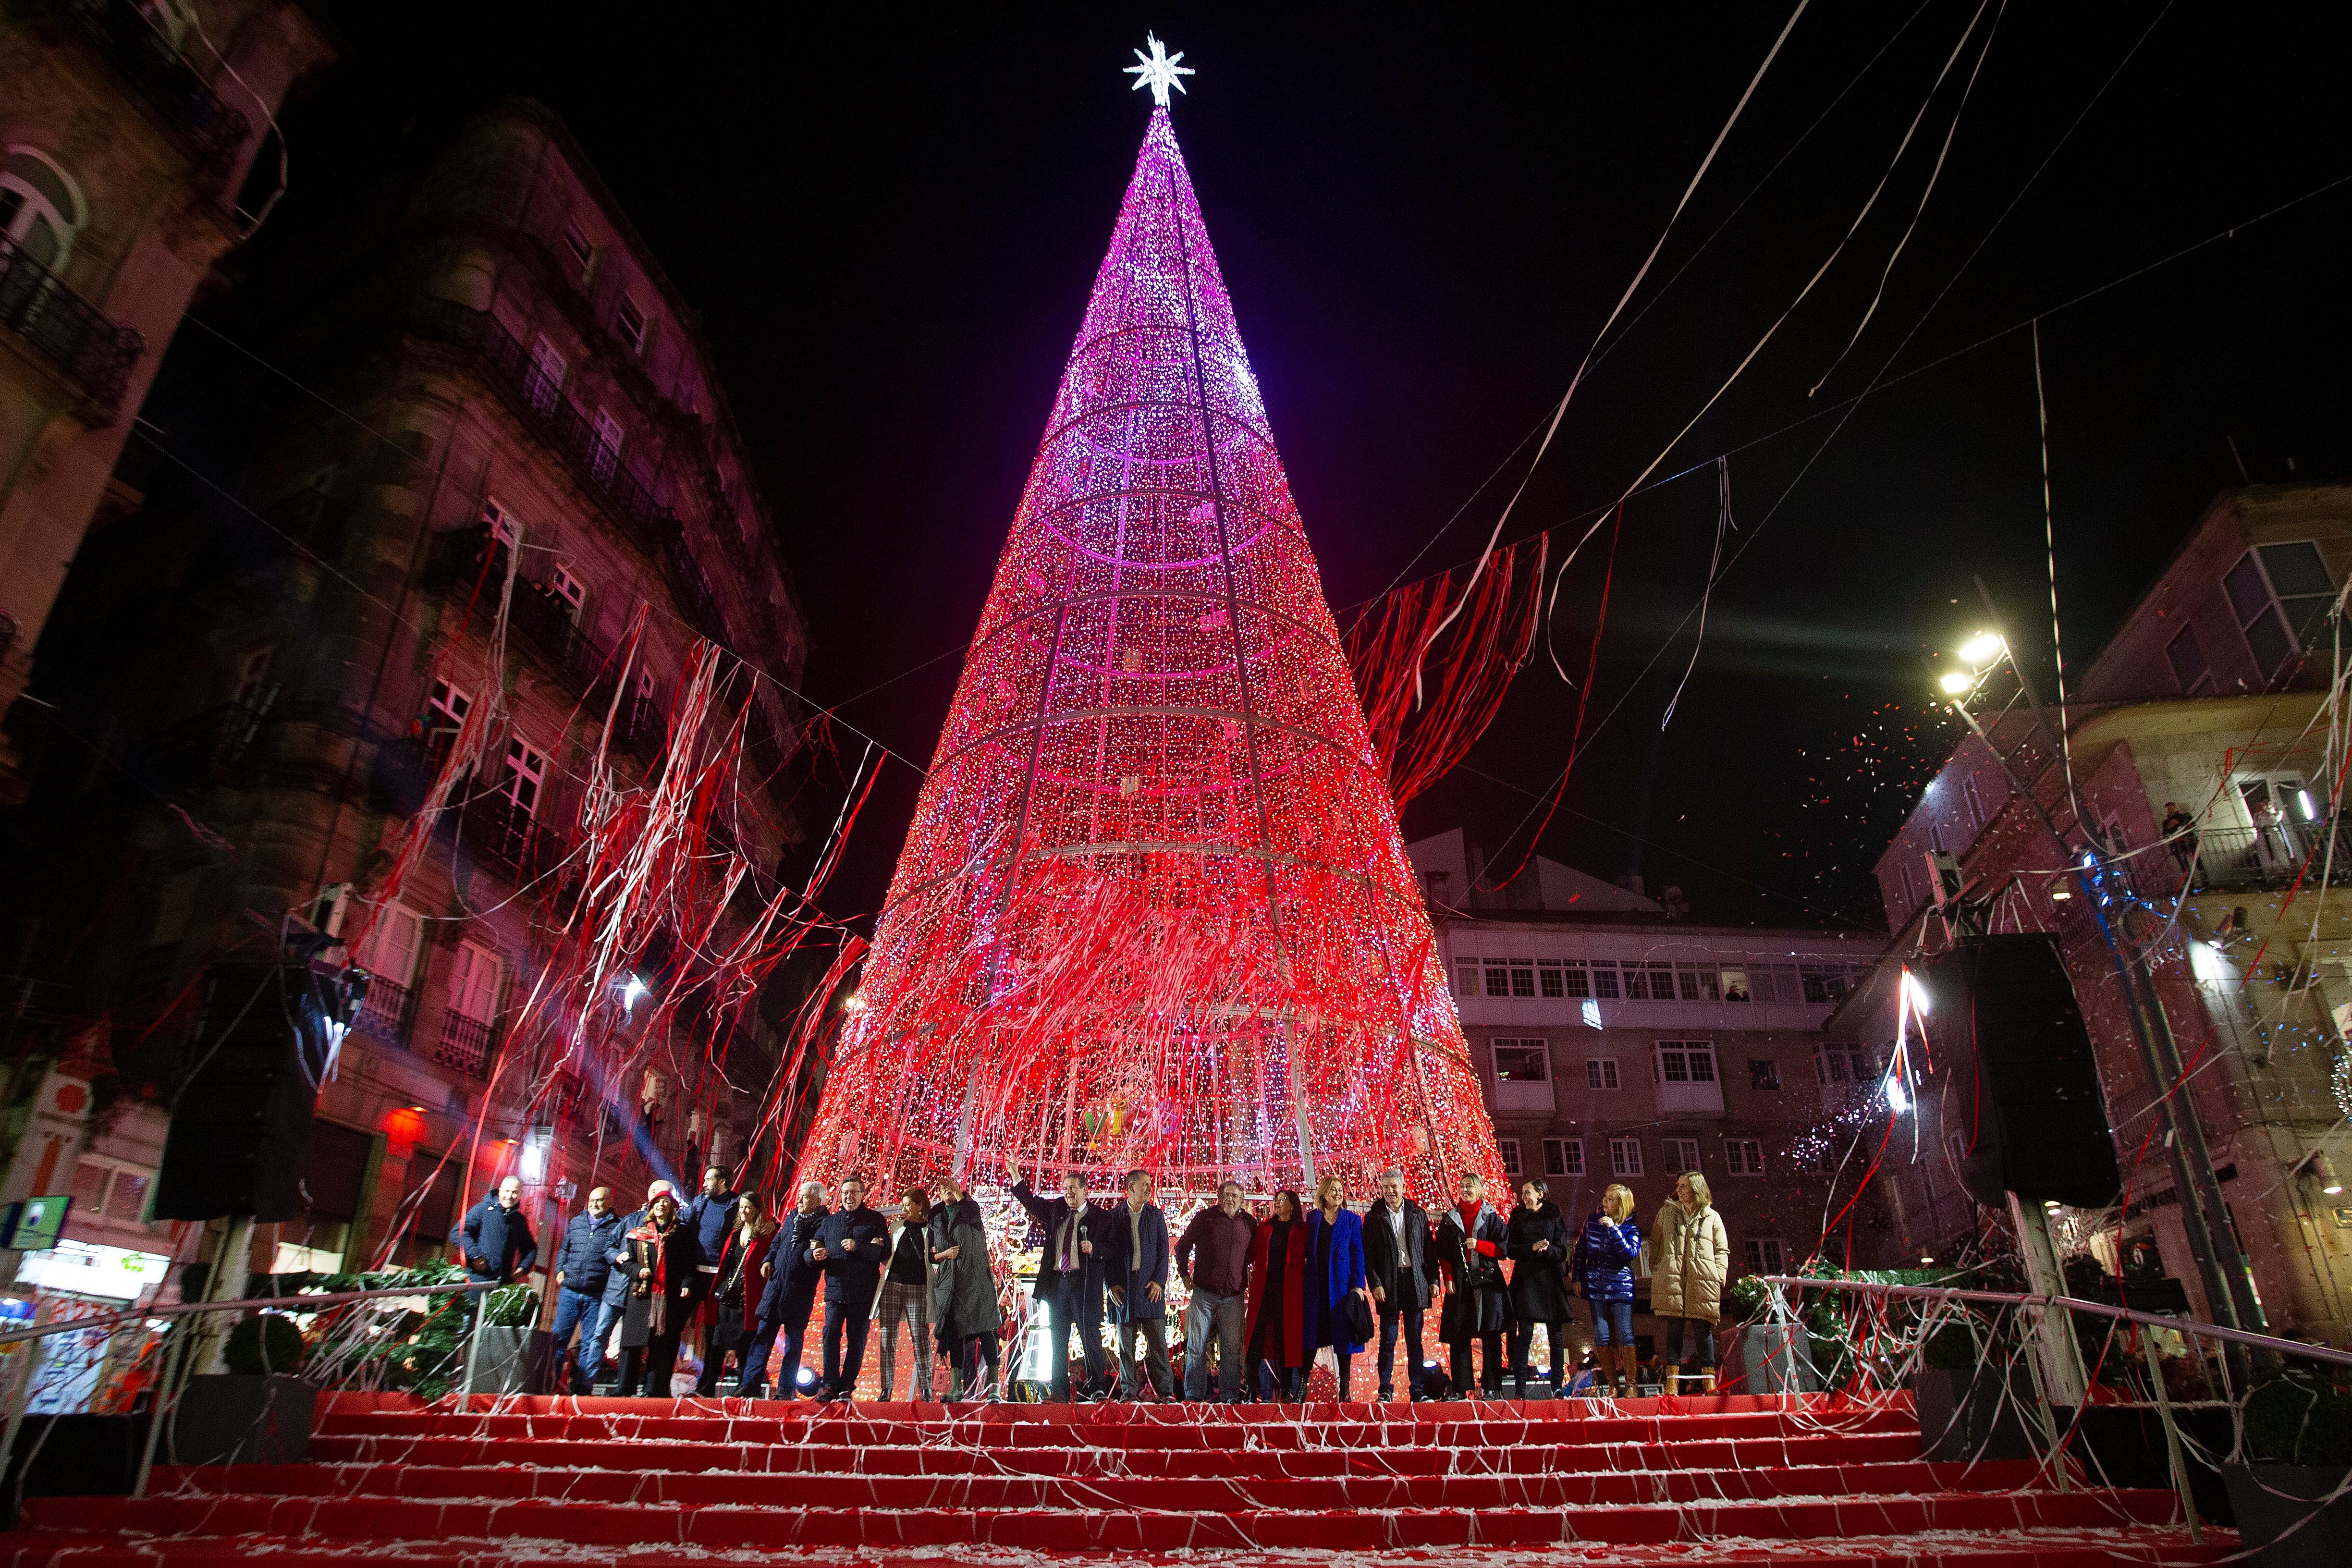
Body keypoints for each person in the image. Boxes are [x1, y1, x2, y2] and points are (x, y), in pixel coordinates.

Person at [1007, 1156, 1106, 1402]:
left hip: (1084, 1286)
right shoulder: (1057, 1211)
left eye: (1073, 1188)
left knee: (1090, 1338)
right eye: (1064, 1189)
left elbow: (1112, 1248)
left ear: (1086, 1191)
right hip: (1058, 1285)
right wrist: (1017, 1177)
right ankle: (1060, 1392)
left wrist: (1095, 1249)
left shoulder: (1101, 1218)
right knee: (1058, 1340)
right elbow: (1031, 1203)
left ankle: (1097, 1389)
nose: (1068, 1193)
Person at [742, 1180, 829, 1397]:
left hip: (799, 1290)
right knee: (762, 1337)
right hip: (776, 1287)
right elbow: (777, 1243)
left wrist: (813, 1257)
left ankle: (785, 1390)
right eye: (800, 1195)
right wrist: (768, 1260)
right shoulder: (792, 1217)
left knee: (793, 1345)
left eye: (806, 1197)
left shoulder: (824, 1223)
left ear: (818, 1201)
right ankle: (749, 1384)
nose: (800, 1199)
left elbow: (818, 1255)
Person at [1645, 1172, 1730, 1394]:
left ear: (1697, 1189)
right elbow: (1655, 1241)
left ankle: (1709, 1379)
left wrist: (1718, 1276)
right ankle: (1672, 1380)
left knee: (1703, 1329)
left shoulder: (1712, 1216)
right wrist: (1658, 1267)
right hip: (1673, 1278)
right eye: (1679, 1186)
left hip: (1702, 1279)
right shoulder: (1666, 1212)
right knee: (1674, 1329)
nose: (1679, 1190)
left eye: (1684, 1186)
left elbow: (1722, 1250)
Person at [809, 1173, 889, 1399]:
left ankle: (847, 1385)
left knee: (857, 1338)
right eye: (845, 1193)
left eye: (854, 1193)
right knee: (830, 1334)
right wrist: (814, 1254)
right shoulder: (829, 1222)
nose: (848, 1197)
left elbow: (884, 1253)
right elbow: (814, 1246)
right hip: (835, 1290)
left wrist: (859, 1247)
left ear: (863, 1195)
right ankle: (830, 1384)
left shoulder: (875, 1221)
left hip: (863, 1293)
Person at [1175, 1178, 1255, 1402]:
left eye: (1235, 1196)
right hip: (1204, 1293)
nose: (1230, 1199)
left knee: (1231, 1348)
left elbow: (1254, 1254)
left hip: (1234, 1296)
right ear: (1219, 1198)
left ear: (1242, 1200)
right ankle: (1193, 1395)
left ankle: (1230, 1395)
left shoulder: (1249, 1223)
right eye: (1226, 1195)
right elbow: (1183, 1245)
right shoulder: (1205, 1218)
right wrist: (1184, 1274)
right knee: (1196, 1346)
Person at [1431, 1171, 1508, 1398]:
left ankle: (1492, 1386)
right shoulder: (1450, 1218)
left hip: (1488, 1282)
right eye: (1462, 1186)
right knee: (1459, 1333)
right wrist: (1448, 1278)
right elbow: (1442, 1253)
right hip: (1461, 1283)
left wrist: (1480, 1246)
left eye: (1470, 1186)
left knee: (1491, 1333)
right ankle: (1462, 1387)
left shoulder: (1491, 1217)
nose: (1465, 1190)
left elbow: (1504, 1248)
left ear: (1480, 1190)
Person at [617, 1192, 701, 1396]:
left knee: (663, 1343)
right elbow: (624, 1261)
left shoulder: (683, 1235)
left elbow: (690, 1265)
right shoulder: (637, 1234)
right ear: (651, 1208)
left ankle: (656, 1389)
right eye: (657, 1203)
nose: (661, 1206)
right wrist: (638, 1271)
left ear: (673, 1209)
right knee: (632, 1343)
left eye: (666, 1203)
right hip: (642, 1295)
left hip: (669, 1297)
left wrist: (687, 1284)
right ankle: (625, 1388)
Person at [596, 1179, 676, 1388]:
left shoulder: (675, 1230)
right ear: (652, 1196)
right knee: (604, 1336)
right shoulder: (632, 1222)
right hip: (620, 1288)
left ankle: (652, 1388)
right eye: (660, 1197)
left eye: (667, 1198)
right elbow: (610, 1247)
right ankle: (595, 1383)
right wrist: (621, 1259)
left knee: (653, 1341)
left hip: (653, 1294)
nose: (662, 1203)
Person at [929, 1171, 1002, 1399]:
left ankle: (994, 1386)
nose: (947, 1193)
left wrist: (960, 1195)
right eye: (943, 1190)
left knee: (985, 1331)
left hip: (976, 1281)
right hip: (951, 1284)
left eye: (951, 1189)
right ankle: (956, 1387)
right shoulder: (936, 1218)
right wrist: (944, 1255)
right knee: (955, 1335)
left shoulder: (971, 1211)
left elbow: (972, 1213)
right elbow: (931, 1256)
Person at [1102, 1168, 1173, 1401]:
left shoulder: (1156, 1216)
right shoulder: (1113, 1217)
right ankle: (1129, 1392)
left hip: (1151, 1288)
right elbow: (1107, 1256)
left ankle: (1167, 1392)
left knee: (1159, 1346)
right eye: (1145, 1184)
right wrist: (1110, 1284)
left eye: (1150, 1184)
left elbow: (1165, 1253)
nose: (1149, 1188)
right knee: (1125, 1347)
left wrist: (1159, 1281)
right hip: (1124, 1288)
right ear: (1131, 1188)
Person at [695, 1191, 775, 1396]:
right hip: (727, 1294)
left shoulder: (766, 1234)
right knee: (716, 1345)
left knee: (744, 1346)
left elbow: (777, 1239)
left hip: (747, 1298)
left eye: (747, 1207)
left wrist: (775, 1224)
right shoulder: (734, 1232)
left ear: (757, 1209)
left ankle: (745, 1387)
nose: (743, 1211)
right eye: (741, 1207)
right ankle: (706, 1387)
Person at [1361, 1168, 1430, 1402]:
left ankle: (1418, 1389)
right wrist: (1376, 1284)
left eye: (1394, 1187)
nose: (1390, 1191)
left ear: (1403, 1187)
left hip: (1413, 1280)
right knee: (1388, 1338)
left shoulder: (1418, 1214)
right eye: (1386, 1187)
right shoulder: (1374, 1217)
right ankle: (1385, 1388)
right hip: (1389, 1283)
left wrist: (1432, 1281)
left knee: (1414, 1339)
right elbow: (1368, 1256)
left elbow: (1428, 1251)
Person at [550, 1185, 625, 1394]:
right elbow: (565, 1248)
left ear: (610, 1203)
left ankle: (582, 1391)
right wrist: (559, 1270)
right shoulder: (577, 1222)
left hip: (596, 1295)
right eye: (591, 1200)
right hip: (570, 1292)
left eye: (600, 1200)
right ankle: (550, 1386)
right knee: (558, 1341)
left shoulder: (618, 1226)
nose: (594, 1204)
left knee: (591, 1346)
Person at [1505, 1177, 1575, 1398]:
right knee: (1523, 1333)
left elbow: (1563, 1250)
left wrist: (1548, 1250)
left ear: (1540, 1195)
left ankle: (1557, 1387)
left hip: (1549, 1279)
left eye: (1528, 1192)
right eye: (1523, 1193)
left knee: (1555, 1335)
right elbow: (1510, 1249)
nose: (1524, 1196)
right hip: (1525, 1280)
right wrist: (1531, 1248)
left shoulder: (1553, 1214)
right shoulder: (1517, 1217)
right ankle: (1520, 1389)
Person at [1303, 1174, 1370, 1400]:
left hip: (1341, 1288)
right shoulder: (1313, 1219)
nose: (1338, 1193)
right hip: (1316, 1287)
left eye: (1341, 1190)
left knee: (1344, 1340)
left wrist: (1358, 1286)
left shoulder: (1351, 1220)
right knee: (1311, 1337)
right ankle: (1302, 1386)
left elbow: (1358, 1254)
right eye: (1333, 1190)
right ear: (1323, 1193)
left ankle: (1345, 1390)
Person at [1574, 1182, 1642, 1398]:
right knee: (1602, 1336)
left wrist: (1613, 1229)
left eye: (1611, 1199)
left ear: (1622, 1205)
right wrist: (1577, 1277)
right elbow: (1580, 1251)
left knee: (1625, 1333)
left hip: (1620, 1283)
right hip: (1595, 1283)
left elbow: (1630, 1254)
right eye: (1605, 1197)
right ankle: (1613, 1384)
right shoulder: (1592, 1221)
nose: (1605, 1201)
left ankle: (1631, 1384)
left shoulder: (1630, 1226)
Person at [873, 1187, 934, 1401]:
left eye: (909, 1205)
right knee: (887, 1337)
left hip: (917, 1287)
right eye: (904, 1204)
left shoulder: (930, 1228)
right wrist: (880, 1247)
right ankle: (886, 1388)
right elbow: (889, 1254)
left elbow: (931, 1258)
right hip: (893, 1284)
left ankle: (927, 1388)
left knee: (920, 1337)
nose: (905, 1209)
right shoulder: (897, 1226)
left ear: (920, 1205)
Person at [452, 1175, 538, 1288]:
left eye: (515, 1192)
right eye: (507, 1191)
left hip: (502, 1284)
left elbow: (530, 1248)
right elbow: (458, 1232)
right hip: (476, 1281)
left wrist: (523, 1267)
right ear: (500, 1191)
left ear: (520, 1195)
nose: (510, 1196)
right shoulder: (482, 1210)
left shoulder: (519, 1220)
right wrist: (476, 1256)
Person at [2160, 801, 2197, 880]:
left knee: (2197, 862)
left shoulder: (2184, 817)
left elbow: (2192, 825)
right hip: (2178, 846)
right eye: (2169, 809)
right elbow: (2165, 834)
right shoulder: (2166, 823)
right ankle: (2190, 884)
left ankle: (2205, 882)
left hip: (2189, 842)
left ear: (2176, 808)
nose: (2170, 810)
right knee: (2184, 866)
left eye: (2172, 808)